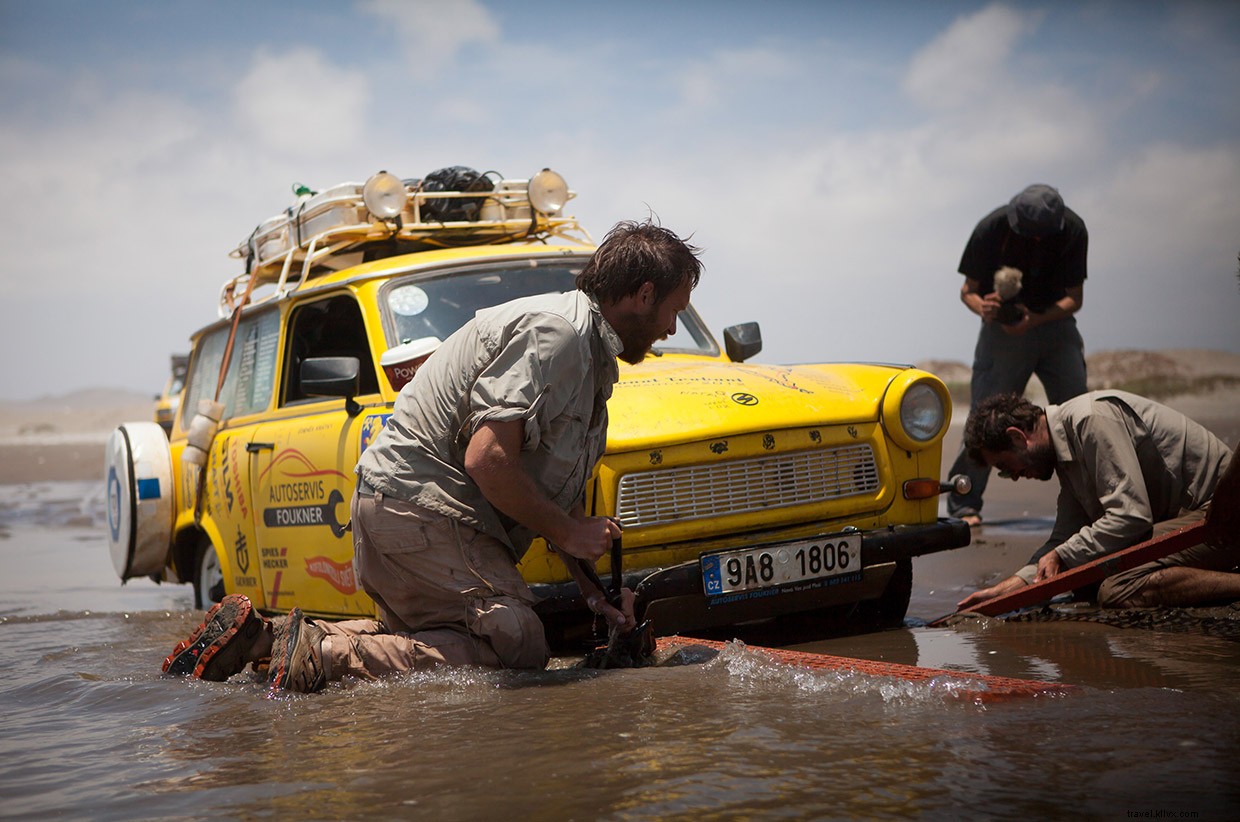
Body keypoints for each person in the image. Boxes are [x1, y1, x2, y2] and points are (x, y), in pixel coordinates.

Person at [162, 219, 704, 691]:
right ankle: (319, 657)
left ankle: (266, 639)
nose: (671, 329)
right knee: (519, 644)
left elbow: (544, 498)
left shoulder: (590, 357)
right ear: (643, 293)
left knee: (424, 644)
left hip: (402, 516)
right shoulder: (558, 334)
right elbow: (487, 460)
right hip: (420, 513)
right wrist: (568, 532)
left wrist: (597, 596)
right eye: (672, 311)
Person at [956, 391, 1239, 612]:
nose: (1014, 477)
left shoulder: (1089, 420)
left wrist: (1063, 556)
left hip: (1220, 515)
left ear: (1017, 438)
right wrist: (1018, 582)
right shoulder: (1065, 450)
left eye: (1006, 467)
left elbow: (1130, 517)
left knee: (1116, 588)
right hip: (1191, 518)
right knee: (1085, 579)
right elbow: (1065, 537)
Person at [947, 184, 1090, 526]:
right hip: (1002, 334)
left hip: (1055, 324)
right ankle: (963, 503)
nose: (1036, 241)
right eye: (1029, 234)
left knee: (1079, 412)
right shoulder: (991, 228)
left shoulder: (1073, 229)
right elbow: (967, 291)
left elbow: (1075, 299)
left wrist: (1036, 319)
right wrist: (984, 306)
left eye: (1043, 236)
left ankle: (1091, 498)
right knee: (986, 417)